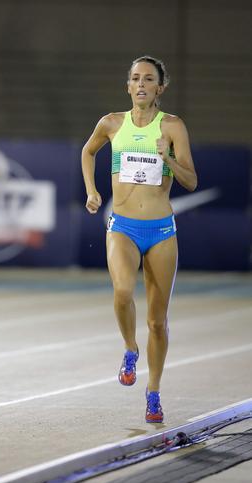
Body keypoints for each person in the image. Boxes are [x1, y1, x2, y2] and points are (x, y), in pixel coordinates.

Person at [81, 55, 197, 423]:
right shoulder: (112, 123)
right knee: (122, 292)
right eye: (135, 78)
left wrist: (169, 159)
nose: (141, 84)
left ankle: (154, 392)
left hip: (161, 230)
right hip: (123, 227)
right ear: (128, 86)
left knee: (158, 323)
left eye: (149, 78)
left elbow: (191, 181)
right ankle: (130, 349)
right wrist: (91, 191)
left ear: (160, 88)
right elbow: (88, 151)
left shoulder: (173, 127)